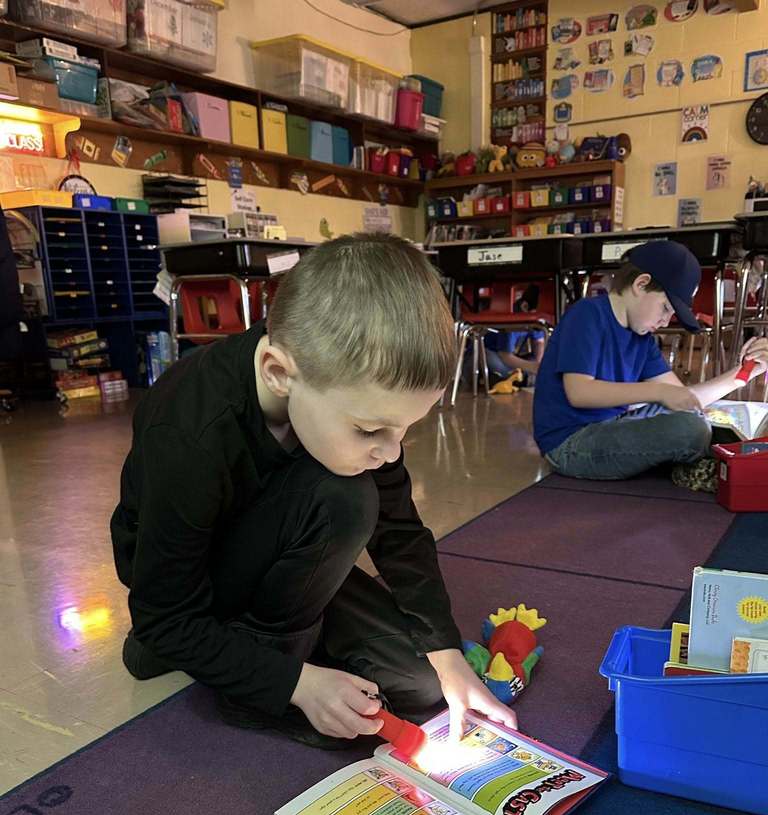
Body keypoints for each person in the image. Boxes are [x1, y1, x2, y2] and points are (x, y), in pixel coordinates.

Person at [111, 233, 517, 749]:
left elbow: (399, 531)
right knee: (347, 495)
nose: (392, 452)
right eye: (371, 430)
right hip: (196, 587)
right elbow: (163, 617)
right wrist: (295, 683)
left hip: (278, 546)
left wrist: (448, 655)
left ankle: (266, 644)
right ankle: (253, 671)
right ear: (278, 374)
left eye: (404, 430)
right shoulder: (190, 431)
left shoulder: (339, 384)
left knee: (419, 684)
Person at [532, 240, 768, 481]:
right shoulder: (587, 314)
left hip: (613, 426)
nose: (666, 322)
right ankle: (706, 464)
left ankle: (721, 457)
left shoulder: (641, 337)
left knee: (706, 422)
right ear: (640, 284)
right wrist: (657, 391)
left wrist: (743, 374)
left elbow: (684, 398)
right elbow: (579, 392)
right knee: (690, 430)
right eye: (665, 308)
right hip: (570, 444)